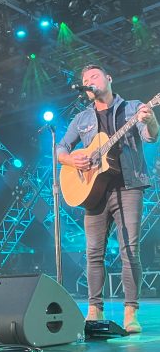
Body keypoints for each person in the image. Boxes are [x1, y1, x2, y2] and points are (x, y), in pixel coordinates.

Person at [57, 65, 159, 333]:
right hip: (94, 192)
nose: (89, 81)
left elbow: (151, 137)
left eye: (94, 76)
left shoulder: (133, 107)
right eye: (85, 79)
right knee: (93, 253)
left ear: (108, 79)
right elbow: (61, 149)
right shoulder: (81, 119)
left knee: (129, 250)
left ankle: (130, 311)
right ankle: (94, 309)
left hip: (129, 186)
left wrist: (150, 120)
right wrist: (71, 159)